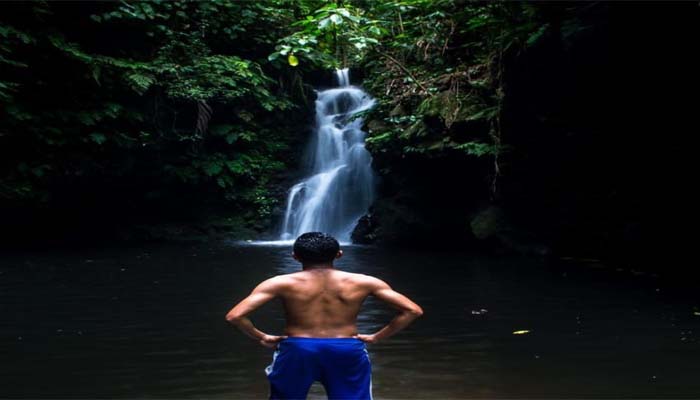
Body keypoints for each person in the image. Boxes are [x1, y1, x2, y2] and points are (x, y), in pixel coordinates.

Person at [225, 232, 424, 400]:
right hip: (346, 348)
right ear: (339, 254)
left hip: (297, 349)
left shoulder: (279, 283)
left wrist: (262, 336)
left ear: (295, 256)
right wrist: (376, 337)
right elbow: (412, 311)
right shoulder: (365, 282)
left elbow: (235, 316)